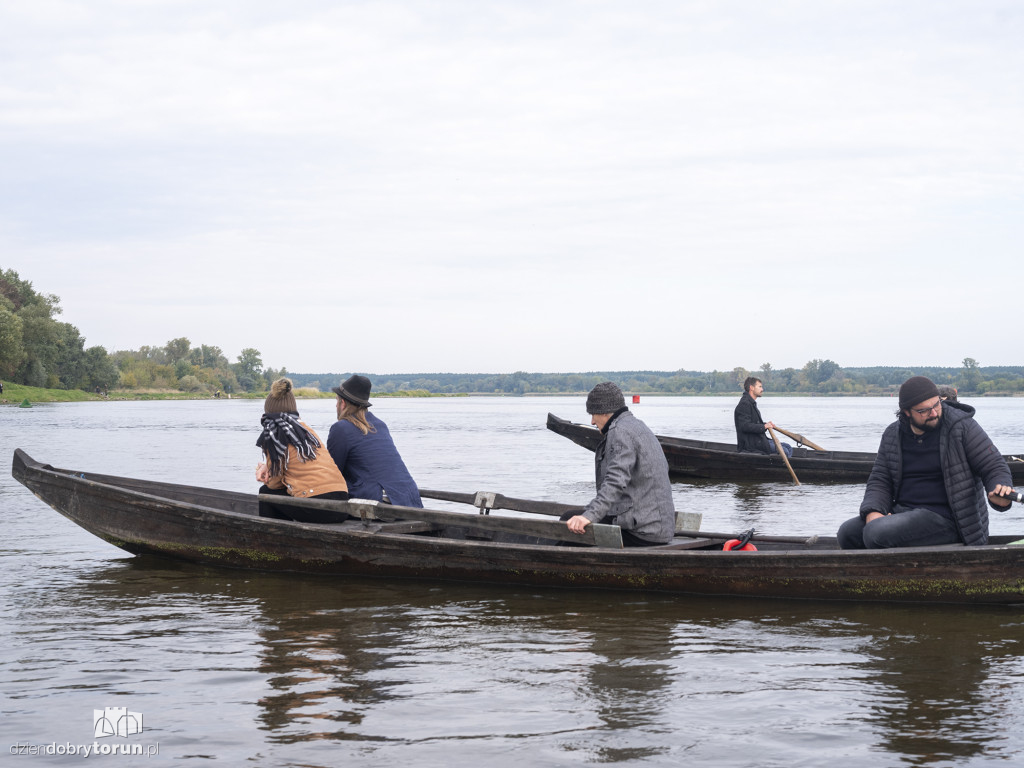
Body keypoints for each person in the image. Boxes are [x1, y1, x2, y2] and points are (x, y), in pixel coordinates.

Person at [837, 375, 1014, 549]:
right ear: (907, 412)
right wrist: (873, 512)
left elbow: (994, 466)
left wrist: (1001, 489)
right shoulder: (893, 434)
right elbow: (880, 479)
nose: (934, 413)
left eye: (936, 404)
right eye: (924, 410)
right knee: (847, 534)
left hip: (952, 520)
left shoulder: (962, 427)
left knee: (876, 533)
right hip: (904, 513)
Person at [563, 382, 677, 546]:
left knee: (571, 528)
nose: (592, 422)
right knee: (570, 517)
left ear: (603, 413)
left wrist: (589, 516)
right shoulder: (638, 426)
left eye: (593, 414)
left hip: (642, 532)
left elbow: (615, 480)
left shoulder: (620, 432)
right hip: (659, 526)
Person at [255, 378, 350, 520]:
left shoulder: (275, 432)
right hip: (342, 504)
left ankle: (275, 539)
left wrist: (268, 473)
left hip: (317, 505)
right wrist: (269, 467)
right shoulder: (307, 431)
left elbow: (275, 483)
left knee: (266, 493)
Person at [327, 375, 423, 507]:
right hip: (408, 499)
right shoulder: (380, 425)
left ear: (342, 403)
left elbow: (333, 473)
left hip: (378, 502)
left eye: (337, 400)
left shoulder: (341, 428)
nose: (336, 405)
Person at [734, 377, 792, 457]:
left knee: (788, 447)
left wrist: (766, 425)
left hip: (759, 440)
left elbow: (753, 424)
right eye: (760, 387)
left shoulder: (750, 403)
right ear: (751, 388)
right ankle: (779, 468)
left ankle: (781, 468)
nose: (762, 389)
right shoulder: (744, 404)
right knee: (784, 451)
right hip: (751, 445)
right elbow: (745, 426)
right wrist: (764, 426)